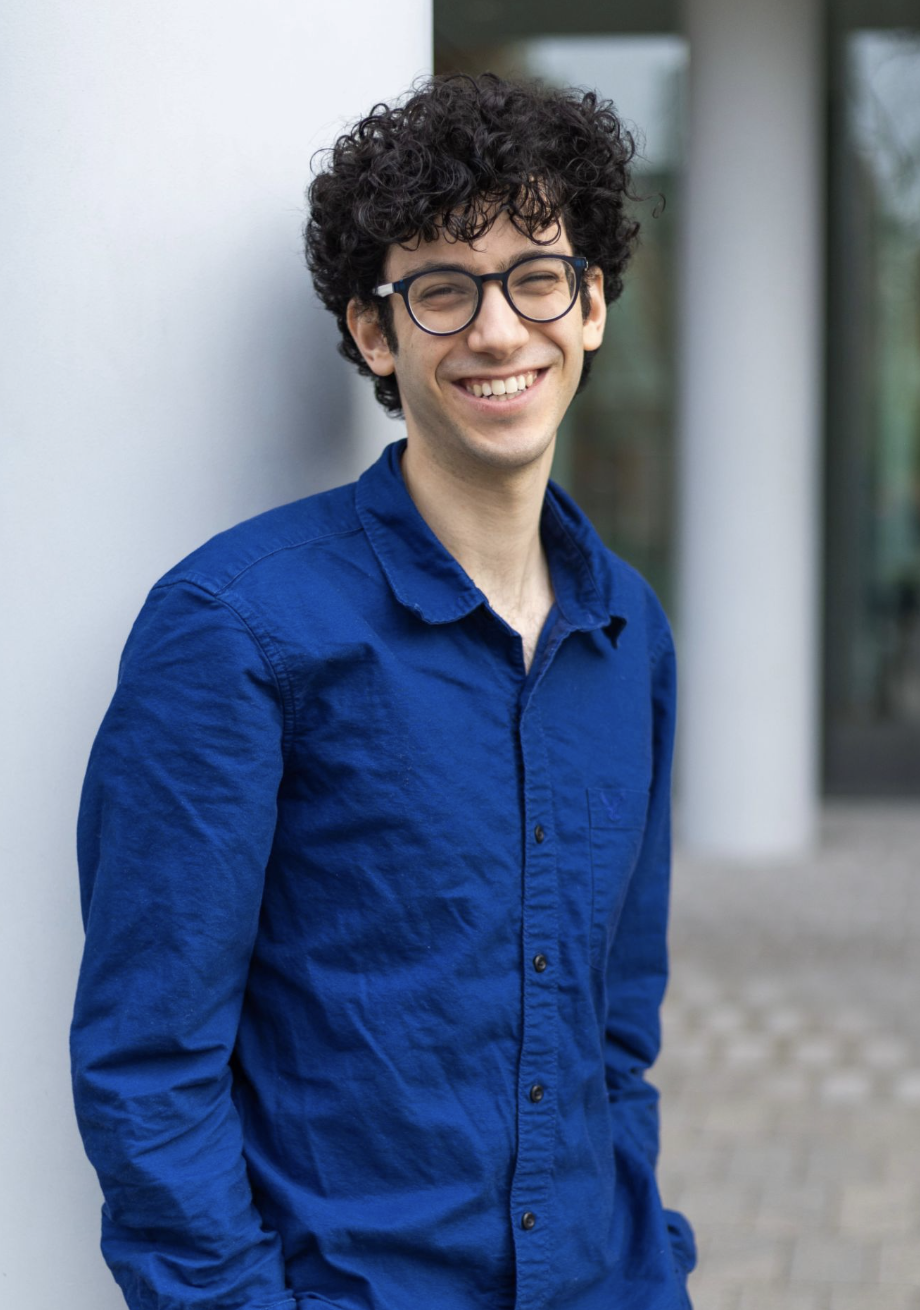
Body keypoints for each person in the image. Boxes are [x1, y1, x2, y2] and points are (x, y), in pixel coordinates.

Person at [70, 71, 696, 1310]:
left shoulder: (629, 632)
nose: (498, 330)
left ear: (593, 306)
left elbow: (613, 1031)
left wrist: (651, 1263)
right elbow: (150, 1067)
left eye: (536, 276)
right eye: (442, 289)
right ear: (374, 331)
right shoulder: (234, 628)